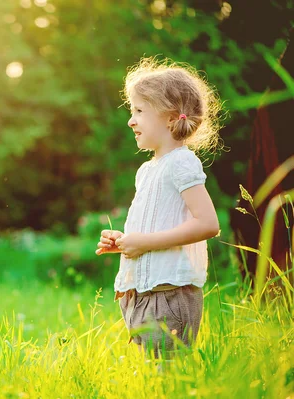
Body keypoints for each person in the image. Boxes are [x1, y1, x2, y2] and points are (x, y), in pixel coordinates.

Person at [96, 57, 223, 358]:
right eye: (132, 111)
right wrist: (125, 243)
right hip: (143, 294)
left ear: (169, 117)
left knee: (169, 378)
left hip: (170, 295)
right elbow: (156, 225)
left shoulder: (181, 162)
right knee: (155, 379)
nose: (131, 120)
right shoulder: (148, 169)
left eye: (139, 111)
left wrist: (144, 243)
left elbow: (207, 223)